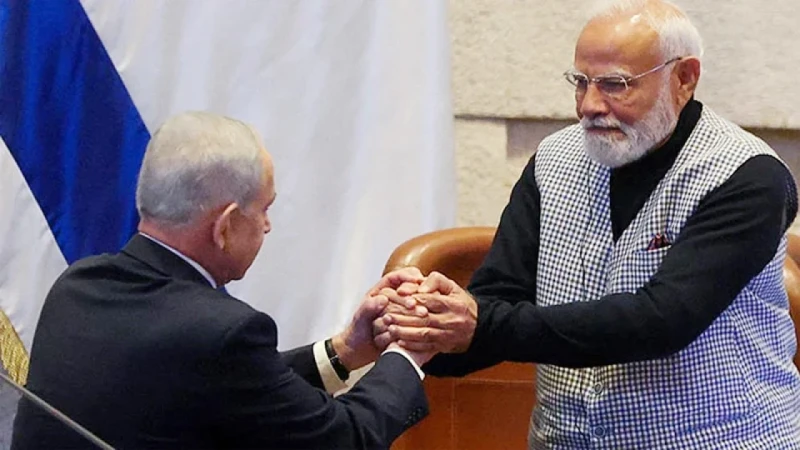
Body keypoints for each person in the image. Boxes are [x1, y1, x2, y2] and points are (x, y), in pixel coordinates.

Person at [375, 0, 800, 448]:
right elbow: (500, 295)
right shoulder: (554, 160)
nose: (589, 106)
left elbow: (662, 320)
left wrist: (479, 324)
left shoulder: (748, 176)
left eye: (615, 85)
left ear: (684, 78)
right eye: (581, 82)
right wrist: (431, 331)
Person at [12, 111, 433, 449]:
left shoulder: (76, 287)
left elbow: (228, 388)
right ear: (226, 226)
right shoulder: (221, 332)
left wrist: (343, 351)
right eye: (264, 208)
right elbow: (346, 439)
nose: (267, 225)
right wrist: (408, 352)